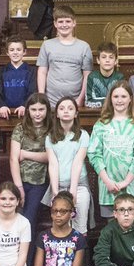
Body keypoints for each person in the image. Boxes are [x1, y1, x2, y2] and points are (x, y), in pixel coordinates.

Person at [89, 81, 134, 216]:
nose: (119, 100)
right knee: (111, 227)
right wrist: (108, 182)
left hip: (132, 188)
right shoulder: (101, 124)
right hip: (108, 188)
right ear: (110, 99)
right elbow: (94, 154)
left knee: (132, 226)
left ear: (130, 98)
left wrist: (125, 182)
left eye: (123, 96)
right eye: (116, 96)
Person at [10, 92, 53, 244]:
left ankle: (29, 258)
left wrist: (25, 154)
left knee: (28, 220)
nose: (37, 113)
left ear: (47, 110)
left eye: (41, 109)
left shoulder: (52, 128)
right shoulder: (20, 128)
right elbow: (14, 158)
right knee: (19, 221)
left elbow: (51, 157)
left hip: (40, 182)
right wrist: (18, 187)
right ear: (28, 110)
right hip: (20, 181)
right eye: (34, 109)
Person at [47, 96, 92, 234]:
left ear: (76, 113)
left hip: (78, 186)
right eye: (62, 108)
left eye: (70, 108)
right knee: (60, 226)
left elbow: (78, 163)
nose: (66, 111)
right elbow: (53, 164)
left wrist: (73, 192)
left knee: (80, 227)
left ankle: (81, 248)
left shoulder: (83, 135)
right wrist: (55, 192)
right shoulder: (50, 137)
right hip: (58, 186)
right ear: (57, 114)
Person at [37, 4, 93, 105]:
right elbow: (42, 72)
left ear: (74, 23)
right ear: (55, 24)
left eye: (68, 21)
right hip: (51, 101)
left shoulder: (84, 47)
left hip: (75, 102)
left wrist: (80, 99)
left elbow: (87, 75)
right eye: (60, 21)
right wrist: (42, 96)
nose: (64, 25)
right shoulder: (47, 45)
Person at [0, 36, 37, 119]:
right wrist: (1, 105)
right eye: (12, 50)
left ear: (24, 52)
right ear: (7, 52)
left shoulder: (31, 71)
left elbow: (32, 91)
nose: (15, 52)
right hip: (6, 112)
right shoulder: (1, 71)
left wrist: (25, 105)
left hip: (25, 112)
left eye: (18, 49)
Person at [86, 41, 125, 109]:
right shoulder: (92, 77)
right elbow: (88, 102)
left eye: (111, 57)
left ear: (116, 61)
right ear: (98, 60)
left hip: (115, 112)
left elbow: (121, 101)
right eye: (104, 57)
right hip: (95, 112)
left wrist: (101, 102)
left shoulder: (119, 77)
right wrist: (110, 102)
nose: (107, 60)